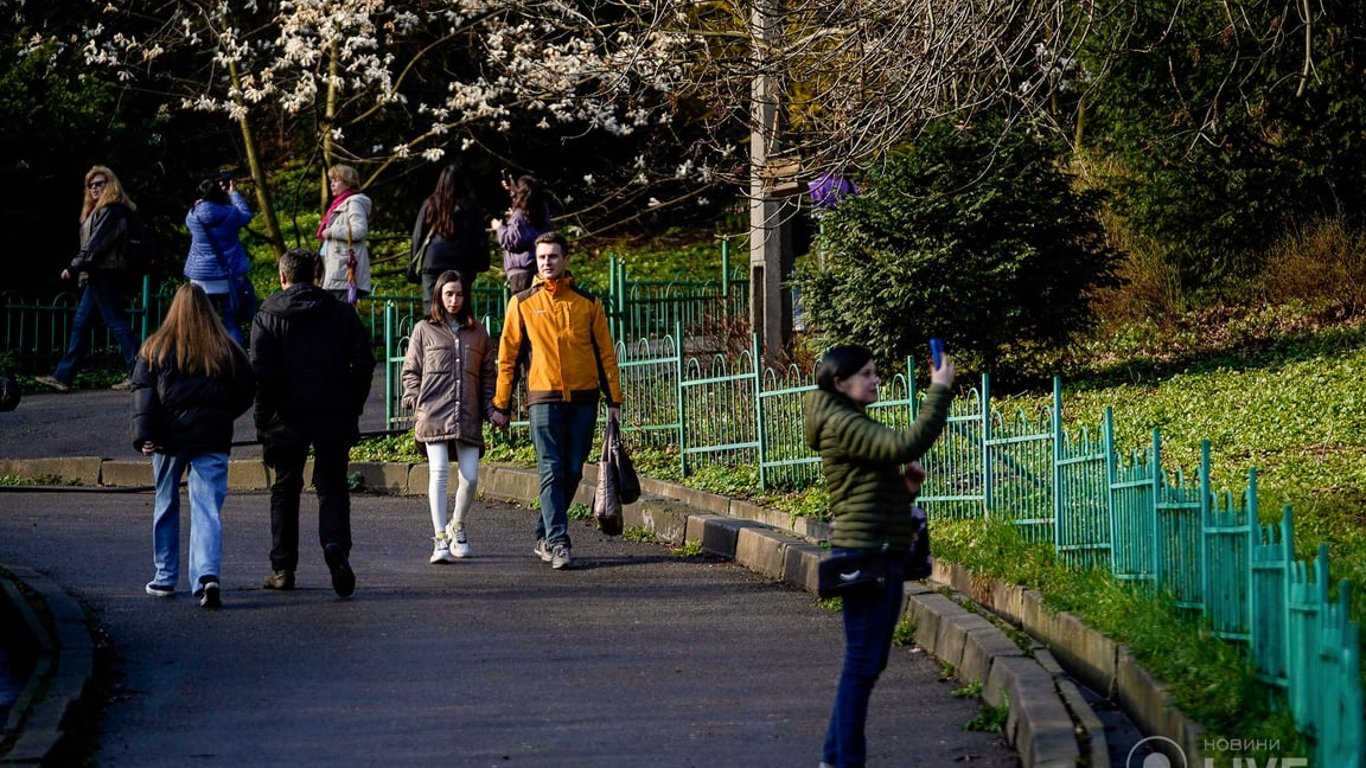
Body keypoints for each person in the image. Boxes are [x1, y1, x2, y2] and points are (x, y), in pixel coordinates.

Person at [803, 344, 956, 768]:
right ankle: (843, 761)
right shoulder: (841, 422)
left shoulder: (847, 419)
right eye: (866, 374)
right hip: (868, 552)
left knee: (865, 663)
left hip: (876, 547)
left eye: (875, 372)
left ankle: (835, 758)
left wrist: (904, 491)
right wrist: (939, 390)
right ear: (840, 382)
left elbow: (860, 491)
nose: (875, 380)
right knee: (862, 663)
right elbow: (906, 442)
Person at [491, 232, 622, 570]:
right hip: (543, 398)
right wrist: (501, 404)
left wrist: (614, 400)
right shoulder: (522, 302)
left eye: (552, 257)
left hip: (584, 398)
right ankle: (559, 541)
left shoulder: (587, 302)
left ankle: (544, 532)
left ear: (565, 259)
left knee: (574, 470)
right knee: (551, 468)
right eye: (541, 257)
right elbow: (508, 357)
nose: (546, 263)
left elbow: (605, 354)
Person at [250, 247, 375, 597]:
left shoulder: (267, 315)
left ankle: (282, 568)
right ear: (317, 274)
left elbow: (260, 372)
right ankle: (335, 545)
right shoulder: (341, 314)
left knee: (285, 489)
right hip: (333, 413)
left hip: (284, 417)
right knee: (332, 485)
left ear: (282, 277)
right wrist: (352, 404)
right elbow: (364, 363)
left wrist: (264, 419)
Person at [130, 284, 255, 609]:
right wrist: (223, 415)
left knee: (165, 502)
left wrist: (145, 435)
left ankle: (164, 576)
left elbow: (143, 394)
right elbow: (246, 389)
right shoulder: (225, 348)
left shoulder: (154, 348)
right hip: (212, 437)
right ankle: (207, 577)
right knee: (207, 509)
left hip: (167, 440)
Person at [401, 270, 497, 563]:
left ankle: (458, 524)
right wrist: (413, 396)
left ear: (466, 297)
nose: (454, 300)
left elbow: (488, 375)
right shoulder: (423, 329)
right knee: (439, 470)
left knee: (470, 477)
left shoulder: (478, 332)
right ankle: (440, 538)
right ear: (439, 296)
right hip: (432, 412)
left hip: (467, 412)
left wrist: (491, 407)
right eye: (448, 294)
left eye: (459, 294)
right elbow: (410, 370)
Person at [36, 165, 142, 393]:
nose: (94, 187)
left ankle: (140, 373)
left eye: (100, 183)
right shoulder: (98, 210)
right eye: (91, 185)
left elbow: (96, 245)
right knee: (81, 324)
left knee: (116, 322)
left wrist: (73, 267)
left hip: (105, 273)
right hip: (98, 273)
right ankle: (63, 376)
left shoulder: (111, 211)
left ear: (110, 185)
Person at [184, 174, 254, 344]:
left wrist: (199, 203)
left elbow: (193, 215)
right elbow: (246, 214)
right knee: (231, 323)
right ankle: (237, 362)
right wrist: (233, 193)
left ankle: (208, 365)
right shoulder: (230, 213)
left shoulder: (193, 216)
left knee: (206, 324)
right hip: (229, 276)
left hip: (202, 279)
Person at [411, 166, 490, 316]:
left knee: (432, 309)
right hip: (463, 263)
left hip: (433, 261)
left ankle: (432, 339)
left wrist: (413, 268)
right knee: (460, 308)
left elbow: (418, 236)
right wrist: (482, 263)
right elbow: (480, 238)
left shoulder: (430, 203)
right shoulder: (470, 206)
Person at [318, 164, 371, 304]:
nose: (332, 184)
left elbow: (360, 230)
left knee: (340, 318)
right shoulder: (338, 204)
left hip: (344, 272)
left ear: (348, 183)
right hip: (336, 271)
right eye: (331, 181)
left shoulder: (354, 203)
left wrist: (332, 231)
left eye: (336, 180)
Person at [490, 174, 551, 295]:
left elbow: (511, 241)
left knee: (521, 310)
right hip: (537, 269)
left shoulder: (519, 217)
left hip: (520, 274)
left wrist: (499, 228)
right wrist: (513, 190)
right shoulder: (542, 213)